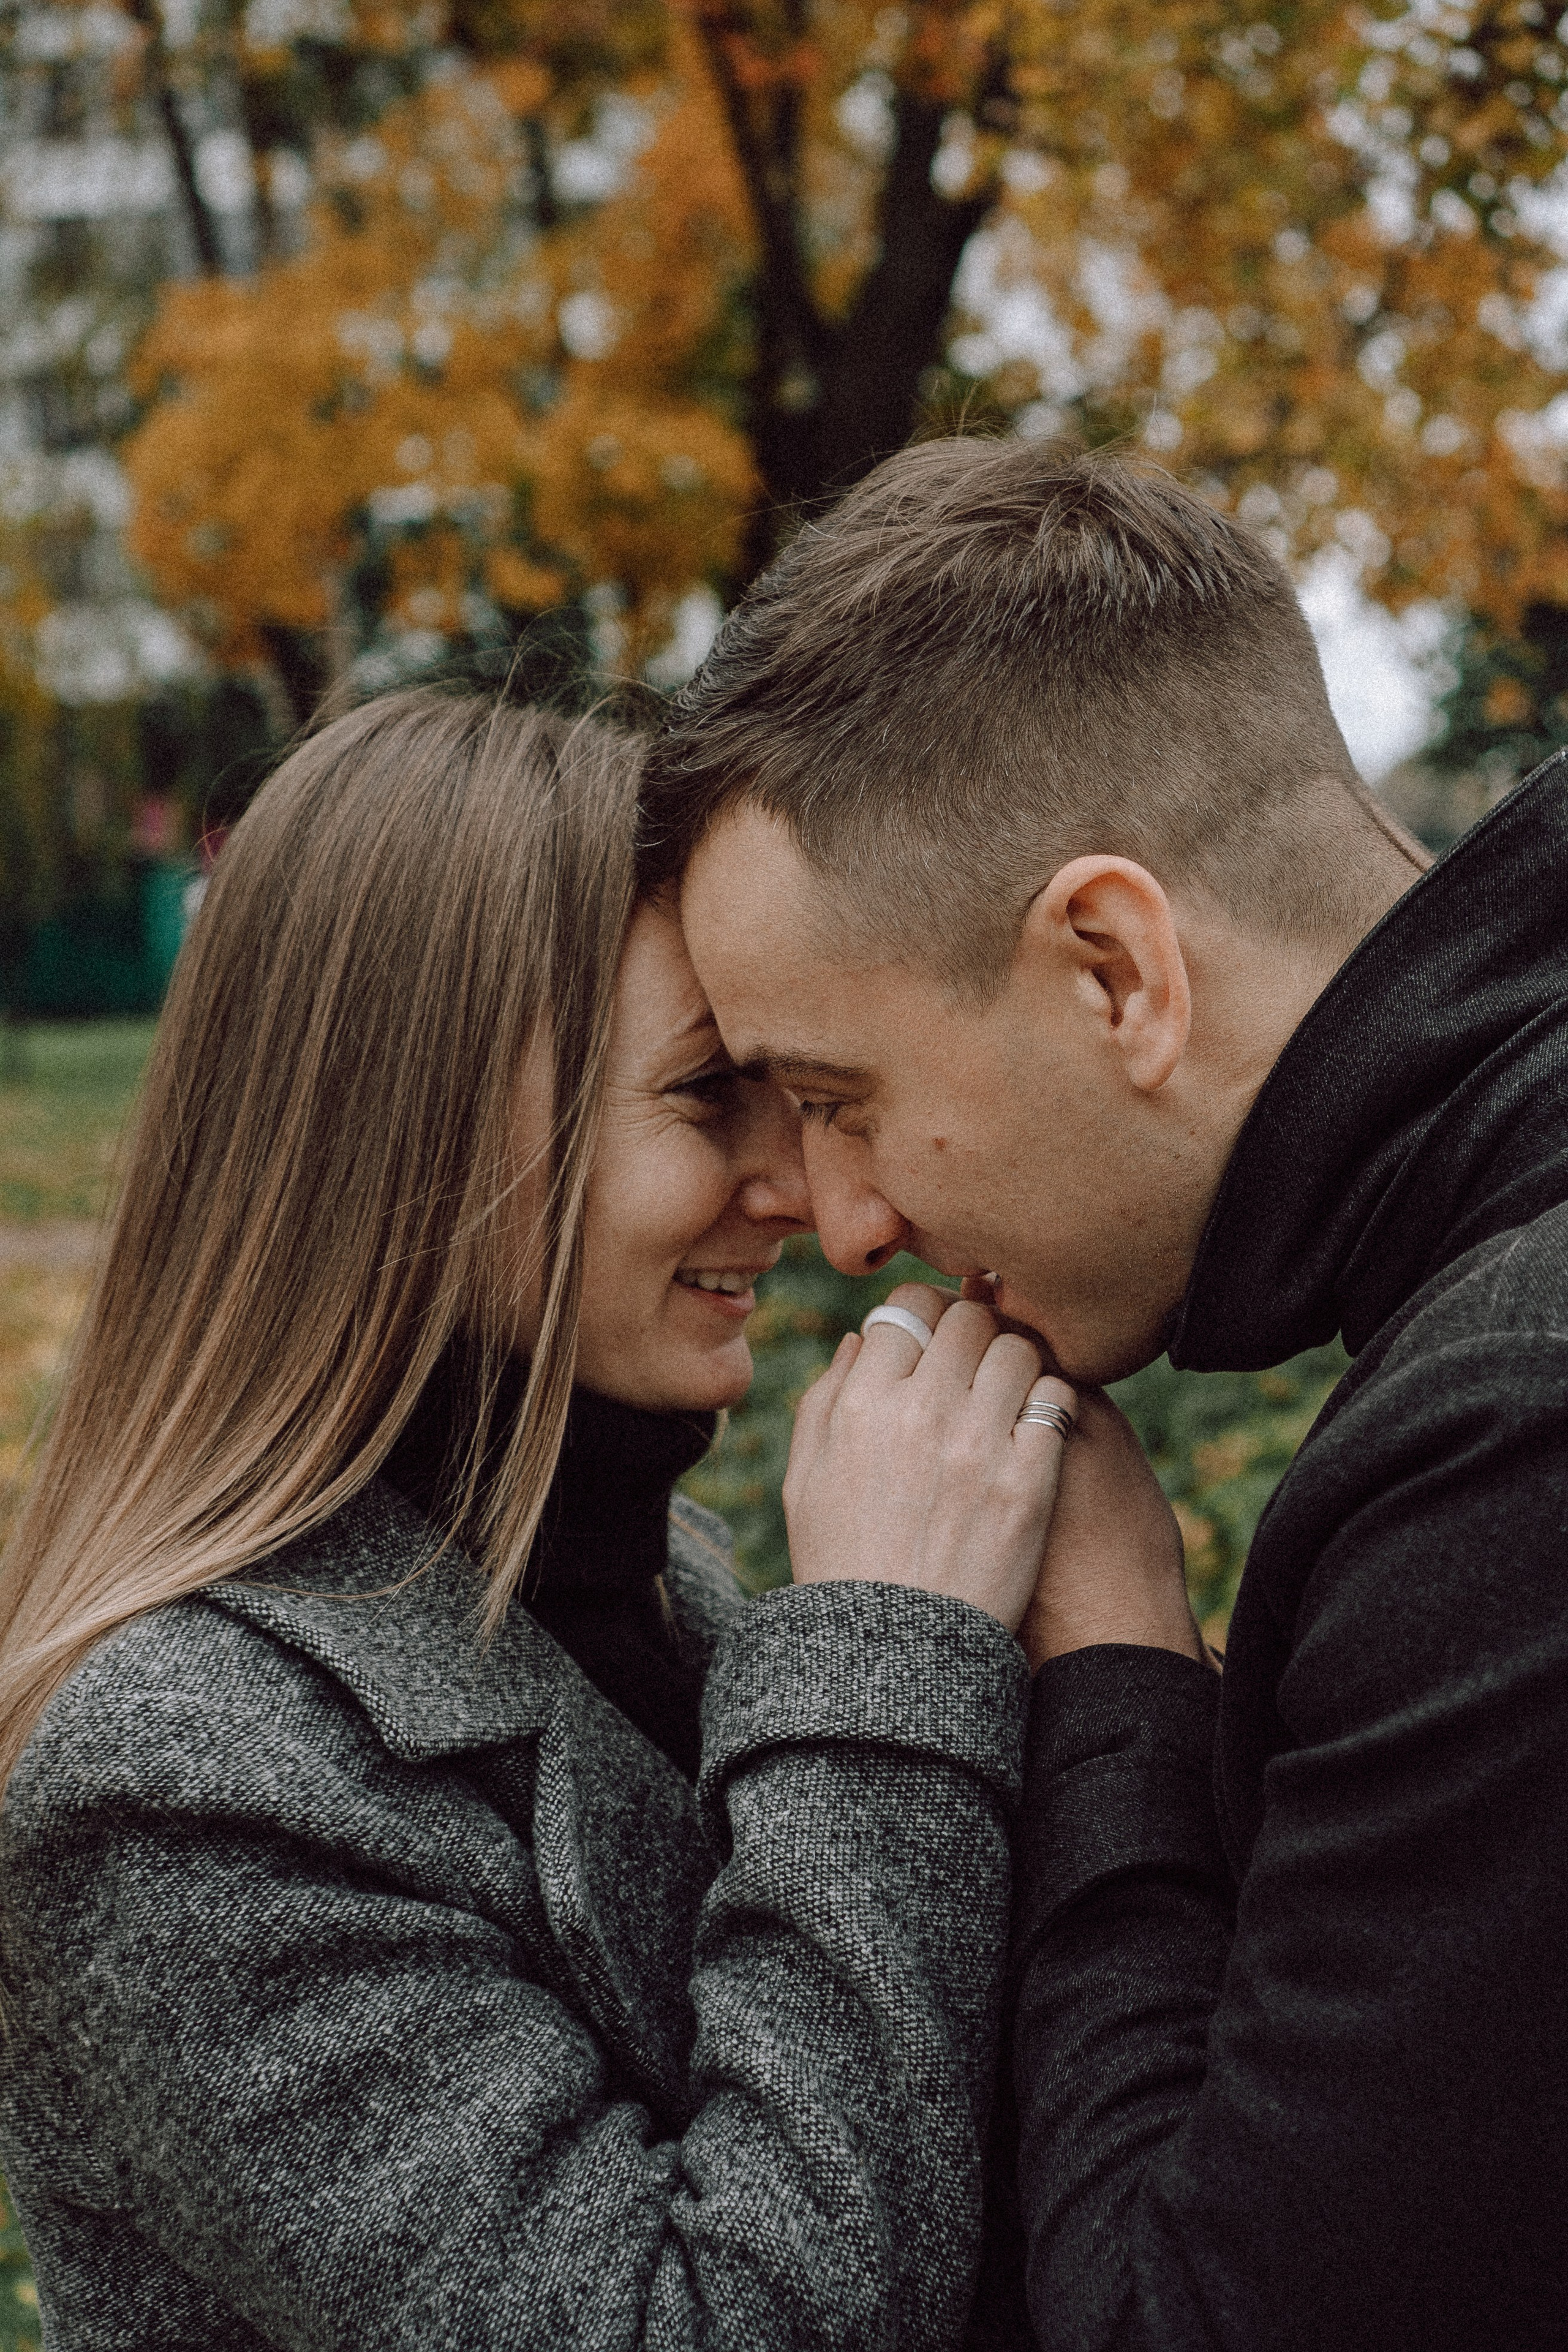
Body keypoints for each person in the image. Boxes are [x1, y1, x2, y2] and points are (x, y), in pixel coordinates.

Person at [0, 685, 1077, 2350]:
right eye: (706, 1094)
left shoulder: (654, 1591)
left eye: (788, 1089)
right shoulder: (190, 1772)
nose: (805, 1191)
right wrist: (888, 1665)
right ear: (417, 1135)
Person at [640, 435, 1568, 2352]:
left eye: (837, 1100)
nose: (847, 1224)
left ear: (1118, 968)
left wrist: (1118, 1670)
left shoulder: (1509, 1450)